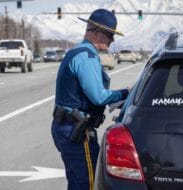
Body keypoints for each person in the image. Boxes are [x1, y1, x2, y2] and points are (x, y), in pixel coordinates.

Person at [51, 9, 129, 190]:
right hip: (76, 130)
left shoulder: (78, 52)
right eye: (109, 34)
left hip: (67, 126)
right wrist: (126, 93)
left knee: (78, 182)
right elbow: (99, 96)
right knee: (88, 184)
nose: (112, 39)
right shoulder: (86, 56)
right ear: (95, 31)